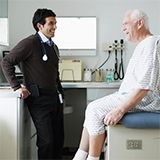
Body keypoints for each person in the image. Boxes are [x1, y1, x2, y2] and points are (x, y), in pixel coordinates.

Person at [73, 9, 160, 160]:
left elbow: (144, 87)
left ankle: (91, 158)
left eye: (126, 24)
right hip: (133, 97)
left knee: (94, 109)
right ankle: (79, 157)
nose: (123, 28)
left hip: (146, 102)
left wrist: (120, 110)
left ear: (140, 23)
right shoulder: (144, 45)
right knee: (92, 109)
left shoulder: (151, 44)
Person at [1, 8, 65, 159]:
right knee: (46, 141)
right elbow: (6, 62)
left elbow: (55, 74)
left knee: (58, 139)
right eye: (51, 23)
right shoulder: (30, 42)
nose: (55, 27)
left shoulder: (53, 46)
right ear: (39, 26)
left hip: (54, 98)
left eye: (55, 23)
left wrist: (61, 96)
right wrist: (17, 87)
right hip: (38, 99)